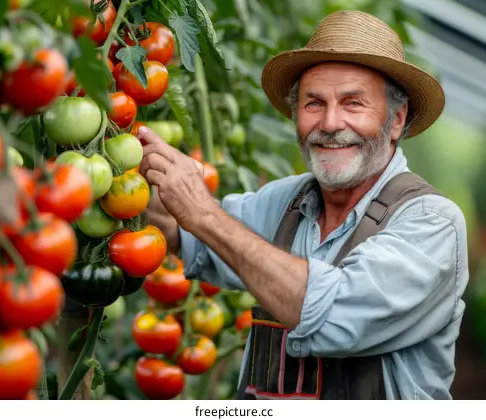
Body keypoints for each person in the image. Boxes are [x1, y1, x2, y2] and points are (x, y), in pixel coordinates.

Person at [136, 10, 469, 400]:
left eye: (353, 103)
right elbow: (186, 234)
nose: (330, 123)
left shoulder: (430, 222)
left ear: (396, 120)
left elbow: (331, 317)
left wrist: (203, 213)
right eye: (314, 103)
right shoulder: (287, 201)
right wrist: (132, 165)